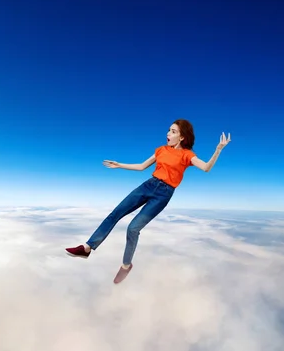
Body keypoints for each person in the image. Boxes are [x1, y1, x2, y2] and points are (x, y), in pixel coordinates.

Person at [65, 119, 231, 284]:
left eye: (173, 131)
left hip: (163, 195)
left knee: (133, 228)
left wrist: (218, 150)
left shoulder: (188, 155)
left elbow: (206, 168)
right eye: (169, 130)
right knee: (115, 214)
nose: (168, 134)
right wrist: (119, 165)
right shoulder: (161, 150)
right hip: (148, 185)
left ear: (181, 137)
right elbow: (142, 166)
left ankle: (126, 265)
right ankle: (87, 248)